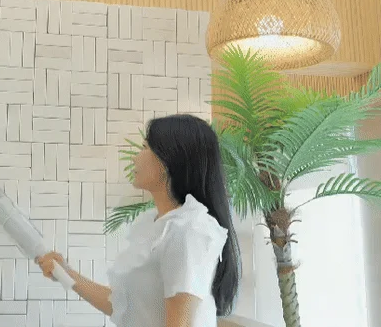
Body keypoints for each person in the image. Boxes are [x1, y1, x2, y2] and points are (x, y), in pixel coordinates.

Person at [37, 114, 240, 327]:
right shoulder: (156, 225)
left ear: (168, 161)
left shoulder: (188, 231)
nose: (135, 158)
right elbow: (124, 306)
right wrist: (66, 274)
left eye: (144, 148)